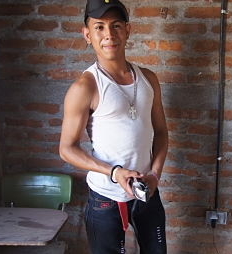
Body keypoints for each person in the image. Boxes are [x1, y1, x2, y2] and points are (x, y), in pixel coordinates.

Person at [59, 0, 168, 253]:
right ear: (87, 34)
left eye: (116, 26)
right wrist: (114, 172)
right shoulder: (85, 87)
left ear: (127, 31)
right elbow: (67, 148)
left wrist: (154, 175)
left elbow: (161, 132)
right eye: (99, 27)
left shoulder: (149, 78)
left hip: (146, 192)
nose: (109, 35)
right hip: (106, 199)